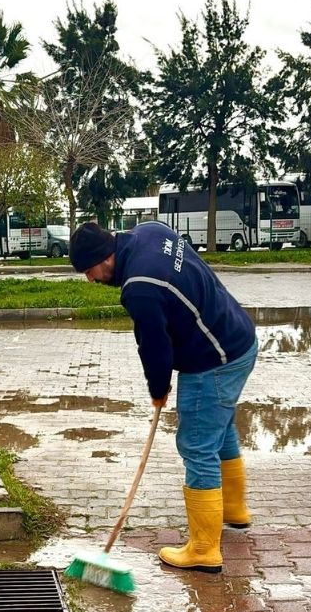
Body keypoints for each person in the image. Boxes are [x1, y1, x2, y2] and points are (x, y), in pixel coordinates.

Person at [70, 220, 258, 574]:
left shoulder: (139, 287)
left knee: (197, 444)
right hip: (239, 338)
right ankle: (233, 510)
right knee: (219, 429)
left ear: (104, 258)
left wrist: (158, 390)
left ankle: (204, 549)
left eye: (89, 271)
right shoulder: (151, 231)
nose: (90, 280)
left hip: (214, 359)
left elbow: (155, 346)